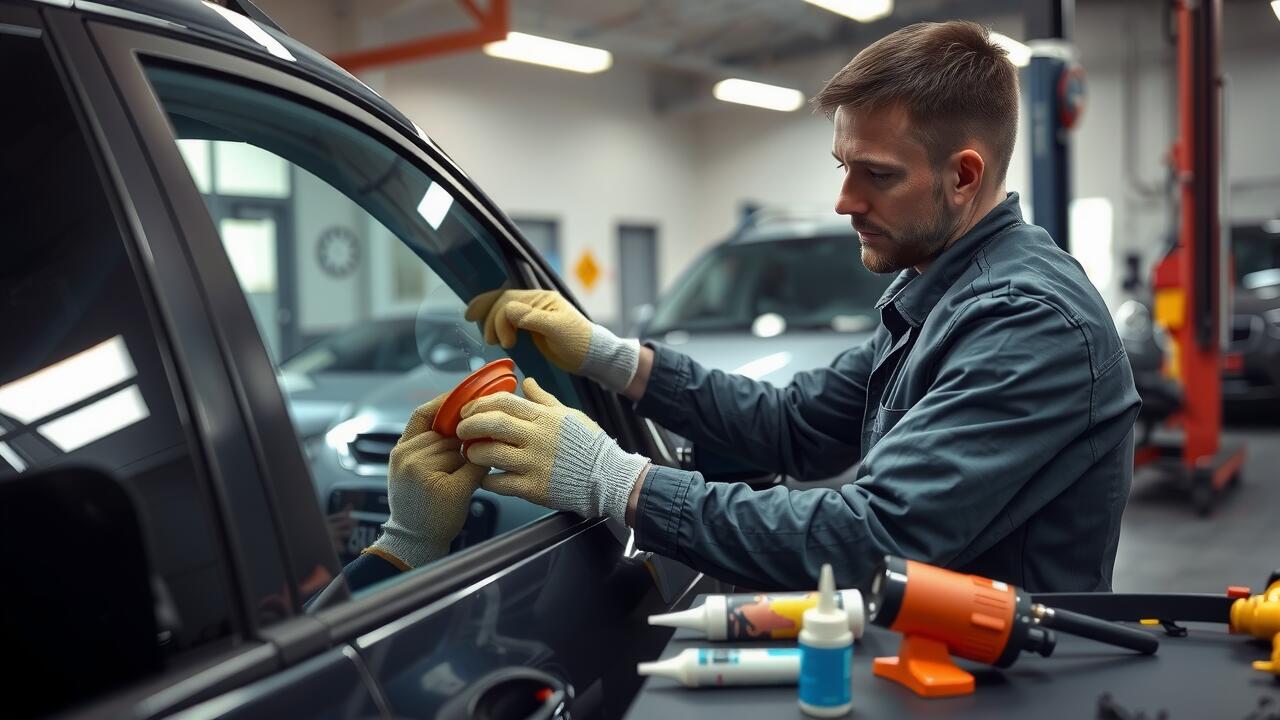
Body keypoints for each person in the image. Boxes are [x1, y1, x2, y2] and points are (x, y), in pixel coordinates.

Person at [355, 20, 1140, 594]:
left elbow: (873, 538)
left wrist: (615, 480)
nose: (843, 201)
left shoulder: (1023, 320)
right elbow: (797, 424)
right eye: (842, 167)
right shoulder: (938, 288)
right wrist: (612, 358)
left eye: (875, 175)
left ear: (964, 176)